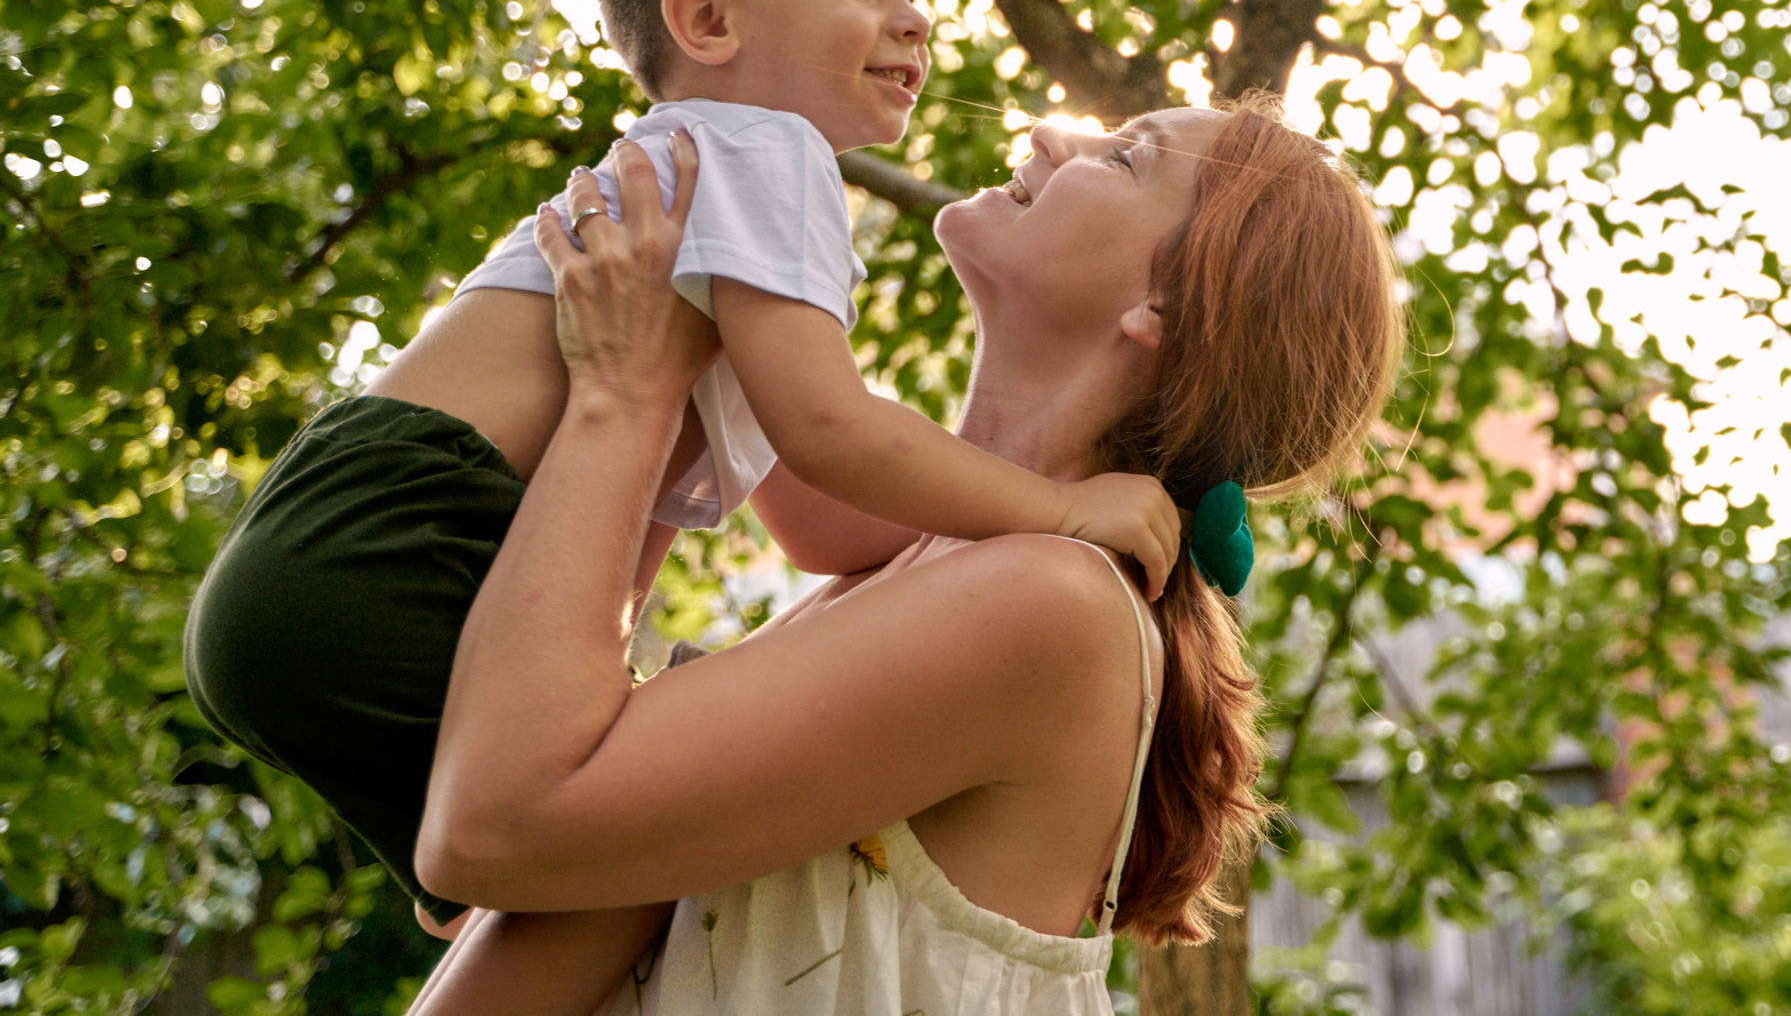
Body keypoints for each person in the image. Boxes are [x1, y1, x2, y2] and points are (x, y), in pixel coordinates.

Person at [182, 0, 1180, 937]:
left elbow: (815, 522)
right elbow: (827, 430)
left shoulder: (700, 182)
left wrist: (968, 537)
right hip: (405, 544)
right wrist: (1059, 508)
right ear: (708, 18)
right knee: (654, 835)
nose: (914, 17)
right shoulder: (765, 152)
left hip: (309, 572)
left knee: (603, 892)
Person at [402, 94, 1402, 1014]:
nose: (1051, 131)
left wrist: (622, 393)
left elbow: (489, 829)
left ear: (1168, 311)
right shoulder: (917, 560)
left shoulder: (1046, 600)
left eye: (1124, 154)